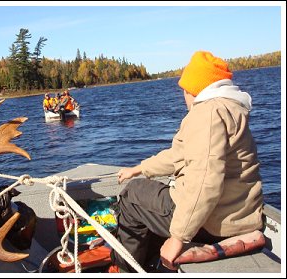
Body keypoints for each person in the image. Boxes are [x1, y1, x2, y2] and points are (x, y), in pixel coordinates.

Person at [110, 51, 263, 272]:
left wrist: (178, 238)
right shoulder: (230, 108)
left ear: (193, 89)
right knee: (144, 187)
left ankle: (125, 268)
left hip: (213, 222)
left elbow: (205, 181)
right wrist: (139, 169)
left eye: (184, 90)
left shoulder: (207, 114)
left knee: (131, 195)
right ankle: (152, 253)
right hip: (241, 214)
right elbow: (178, 155)